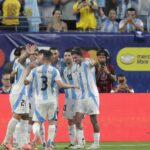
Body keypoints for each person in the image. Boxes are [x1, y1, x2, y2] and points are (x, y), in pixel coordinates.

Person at [24, 50, 79, 150]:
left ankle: (35, 137)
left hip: (40, 100)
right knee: (52, 122)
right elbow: (61, 85)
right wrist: (74, 85)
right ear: (50, 58)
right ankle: (49, 145)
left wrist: (26, 72)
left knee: (36, 122)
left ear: (43, 57)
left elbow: (25, 82)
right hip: (52, 100)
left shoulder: (35, 70)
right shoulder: (54, 70)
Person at [2, 44, 36, 150]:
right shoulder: (19, 61)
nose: (26, 52)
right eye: (23, 51)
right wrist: (27, 54)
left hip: (21, 92)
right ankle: (6, 141)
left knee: (25, 117)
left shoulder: (26, 63)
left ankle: (24, 143)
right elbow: (22, 59)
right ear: (20, 53)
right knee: (17, 115)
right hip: (19, 92)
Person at [71, 48, 100, 149]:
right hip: (81, 96)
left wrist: (94, 62)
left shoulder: (87, 62)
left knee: (93, 119)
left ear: (81, 56)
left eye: (76, 57)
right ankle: (80, 143)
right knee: (77, 118)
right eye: (73, 58)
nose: (74, 59)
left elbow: (95, 63)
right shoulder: (75, 67)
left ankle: (96, 143)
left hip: (92, 96)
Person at [62, 49, 83, 149]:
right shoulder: (64, 70)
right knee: (70, 121)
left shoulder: (78, 66)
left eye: (69, 55)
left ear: (72, 57)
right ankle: (72, 143)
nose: (67, 57)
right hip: (68, 98)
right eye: (65, 55)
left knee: (78, 120)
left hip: (79, 97)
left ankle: (81, 143)